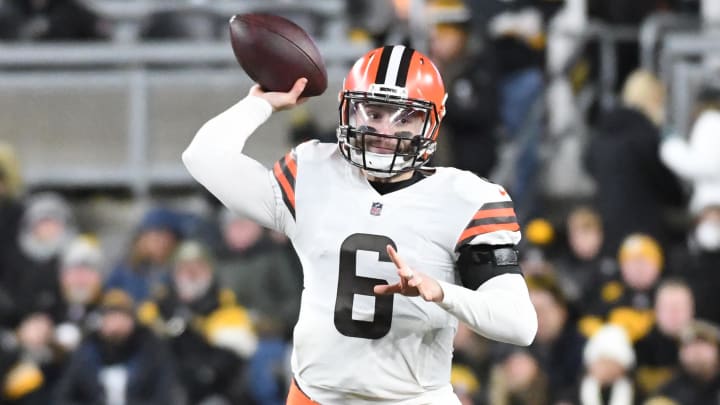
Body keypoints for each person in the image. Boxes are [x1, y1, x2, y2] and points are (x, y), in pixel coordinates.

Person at [183, 45, 537, 404]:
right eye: (375, 113)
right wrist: (261, 103)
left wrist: (442, 293)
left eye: (404, 118)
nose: (385, 130)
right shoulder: (314, 170)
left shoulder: (464, 198)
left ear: (431, 122)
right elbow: (203, 157)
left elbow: (519, 325)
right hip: (317, 397)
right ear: (348, 110)